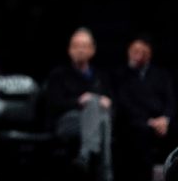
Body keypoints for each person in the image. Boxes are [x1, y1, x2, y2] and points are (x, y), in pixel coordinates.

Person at [44, 27, 113, 181]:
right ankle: (106, 172)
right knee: (98, 113)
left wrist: (107, 102)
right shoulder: (58, 75)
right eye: (76, 46)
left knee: (102, 118)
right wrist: (79, 101)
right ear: (69, 50)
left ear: (92, 50)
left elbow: (112, 106)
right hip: (66, 122)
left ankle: (84, 156)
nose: (80, 50)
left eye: (84, 46)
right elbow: (53, 105)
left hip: (92, 123)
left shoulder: (101, 76)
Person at [114, 35, 176, 181]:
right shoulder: (120, 76)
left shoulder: (161, 74)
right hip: (137, 122)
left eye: (143, 51)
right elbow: (124, 104)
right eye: (135, 51)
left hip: (163, 122)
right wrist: (149, 122)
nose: (138, 54)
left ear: (149, 54)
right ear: (128, 52)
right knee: (137, 133)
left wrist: (165, 119)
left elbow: (170, 101)